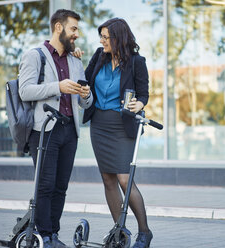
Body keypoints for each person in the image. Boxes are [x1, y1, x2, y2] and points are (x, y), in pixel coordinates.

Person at [18, 9, 93, 248]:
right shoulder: (34, 55)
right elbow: (25, 91)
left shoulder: (75, 60)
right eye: (73, 29)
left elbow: (84, 102)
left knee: (61, 187)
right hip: (44, 130)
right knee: (45, 185)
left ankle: (53, 235)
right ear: (58, 28)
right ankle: (43, 236)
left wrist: (86, 94)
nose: (77, 35)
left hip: (69, 131)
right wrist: (57, 86)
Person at [80, 18, 152, 248]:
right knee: (108, 178)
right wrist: (75, 60)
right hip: (99, 124)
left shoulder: (136, 62)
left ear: (118, 38)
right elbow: (84, 80)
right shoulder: (99, 56)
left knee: (124, 178)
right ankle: (120, 231)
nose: (101, 41)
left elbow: (144, 93)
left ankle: (144, 232)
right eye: (100, 37)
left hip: (122, 126)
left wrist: (140, 104)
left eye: (105, 37)